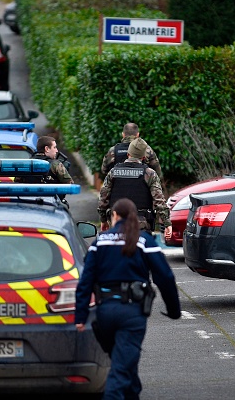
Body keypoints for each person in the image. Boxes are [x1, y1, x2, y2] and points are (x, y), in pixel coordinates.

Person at [75, 198, 181, 400]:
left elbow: (85, 281)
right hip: (132, 314)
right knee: (121, 370)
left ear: (114, 216)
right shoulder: (143, 241)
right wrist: (174, 310)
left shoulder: (100, 242)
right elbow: (165, 277)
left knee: (122, 361)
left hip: (104, 313)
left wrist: (80, 315)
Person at [98, 137, 172, 237]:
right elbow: (159, 201)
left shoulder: (113, 172)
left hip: (117, 222)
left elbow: (103, 198)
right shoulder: (149, 174)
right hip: (141, 224)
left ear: (128, 154)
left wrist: (103, 220)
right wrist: (167, 223)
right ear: (143, 157)